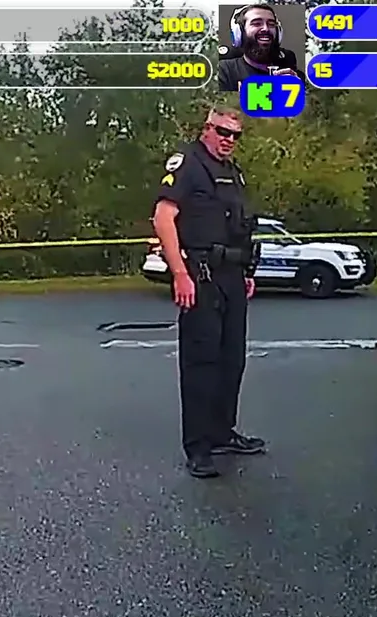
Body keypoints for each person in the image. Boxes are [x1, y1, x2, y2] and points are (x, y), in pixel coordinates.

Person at [152, 107, 267, 478]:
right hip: (199, 276)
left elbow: (239, 226)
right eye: (223, 132)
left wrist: (246, 272)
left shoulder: (233, 172)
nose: (229, 140)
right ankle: (198, 447)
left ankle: (222, 432)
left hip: (232, 275)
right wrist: (179, 273)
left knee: (232, 360)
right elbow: (163, 218)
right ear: (207, 129)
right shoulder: (188, 163)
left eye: (235, 135)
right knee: (201, 364)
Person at [217, 4, 300, 91]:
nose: (266, 29)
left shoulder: (292, 73)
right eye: (256, 23)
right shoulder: (224, 71)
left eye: (271, 24)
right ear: (240, 33)